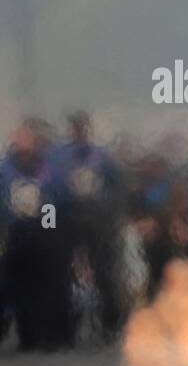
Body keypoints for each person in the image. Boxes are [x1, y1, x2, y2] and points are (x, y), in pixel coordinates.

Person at [45, 111, 127, 339]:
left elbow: (118, 188)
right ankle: (64, 327)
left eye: (82, 127)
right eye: (75, 127)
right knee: (62, 274)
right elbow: (48, 192)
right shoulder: (57, 158)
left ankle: (110, 324)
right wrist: (47, 225)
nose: (78, 131)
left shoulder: (102, 157)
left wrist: (113, 217)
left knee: (104, 273)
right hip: (66, 221)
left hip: (96, 222)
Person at [0, 118, 74, 349]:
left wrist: (48, 227)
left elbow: (58, 199)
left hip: (45, 234)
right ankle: (28, 336)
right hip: (16, 234)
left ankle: (56, 336)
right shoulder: (5, 170)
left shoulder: (51, 170)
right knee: (19, 285)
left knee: (51, 284)